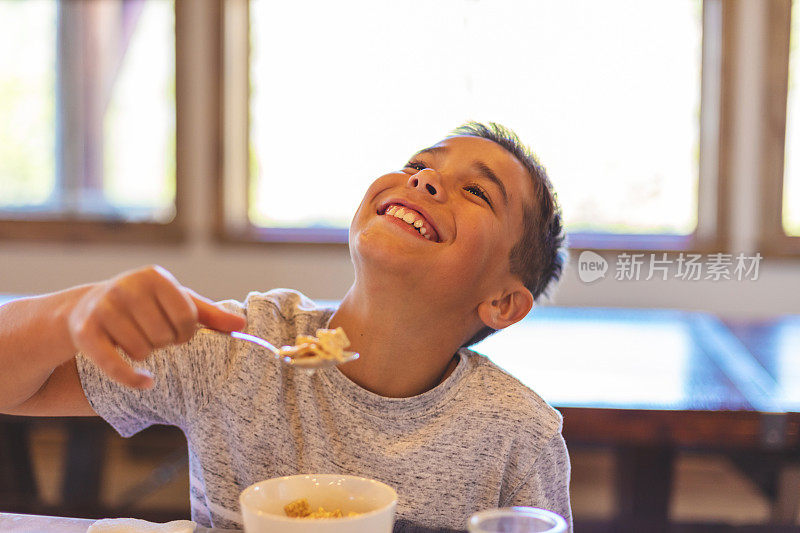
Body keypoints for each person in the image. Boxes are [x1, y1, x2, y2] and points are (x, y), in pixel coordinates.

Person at [0, 122, 570, 532]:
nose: (423, 181)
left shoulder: (516, 435)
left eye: (476, 191)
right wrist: (73, 313)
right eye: (419, 165)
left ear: (502, 303)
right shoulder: (238, 349)